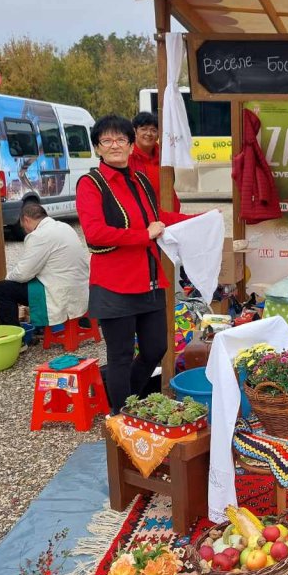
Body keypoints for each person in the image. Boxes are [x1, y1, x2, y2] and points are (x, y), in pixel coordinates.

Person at [77, 115, 192, 413]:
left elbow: (159, 218)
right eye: (106, 140)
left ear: (131, 145)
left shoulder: (139, 180)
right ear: (98, 148)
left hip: (149, 280)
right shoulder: (91, 184)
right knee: (121, 355)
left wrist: (200, 220)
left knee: (156, 348)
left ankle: (128, 400)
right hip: (113, 284)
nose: (114, 145)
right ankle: (121, 415)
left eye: (121, 139)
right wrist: (143, 235)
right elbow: (94, 233)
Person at [0, 202, 90, 329]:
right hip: (79, 290)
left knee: (2, 289)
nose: (25, 230)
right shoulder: (65, 227)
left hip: (60, 294)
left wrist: (7, 278)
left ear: (26, 220)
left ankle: (13, 335)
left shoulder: (38, 235)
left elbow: (22, 274)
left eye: (23, 226)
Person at [129, 111, 179, 211]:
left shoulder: (165, 156)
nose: (149, 133)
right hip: (142, 214)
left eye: (153, 130)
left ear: (158, 134)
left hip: (168, 212)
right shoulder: (127, 157)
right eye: (144, 129)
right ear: (135, 131)